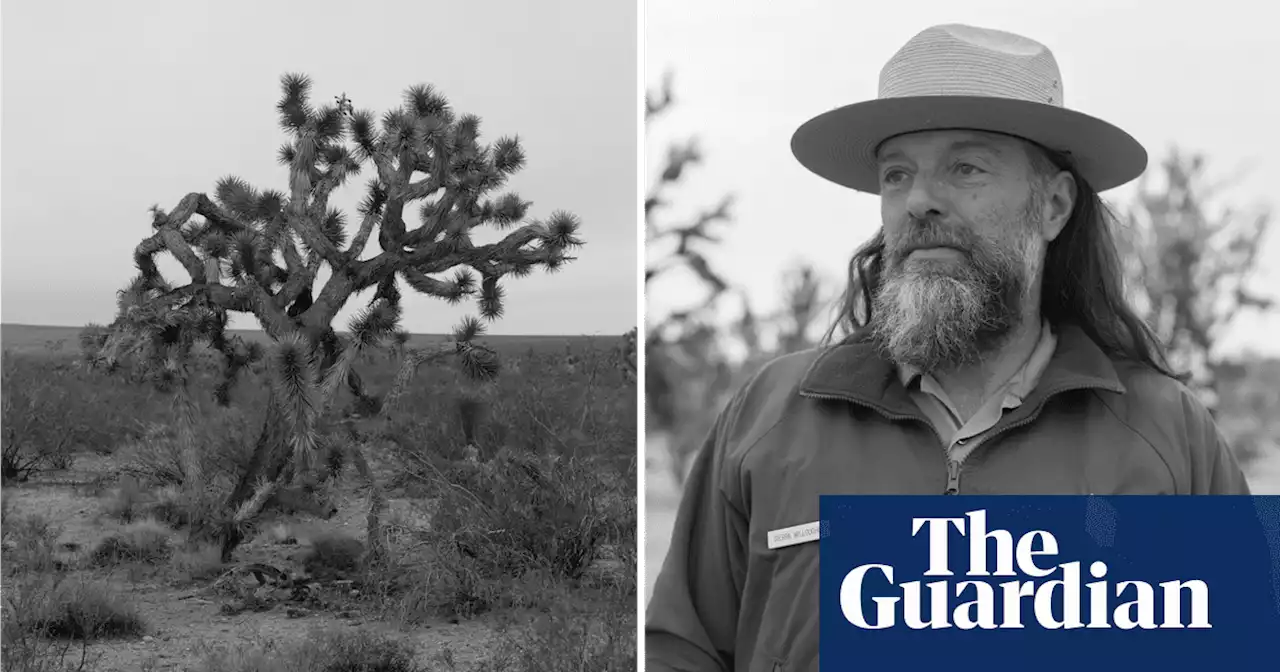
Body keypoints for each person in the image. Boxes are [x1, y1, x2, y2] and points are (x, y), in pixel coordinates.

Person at [642, 23, 1252, 672]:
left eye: (966, 168)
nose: (921, 201)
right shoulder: (771, 416)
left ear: (1053, 206)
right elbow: (681, 650)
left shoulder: (1165, 434)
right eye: (897, 174)